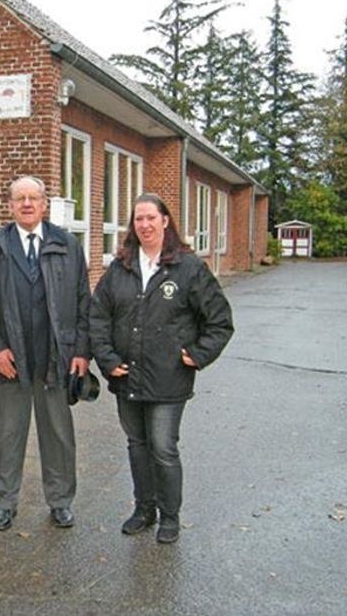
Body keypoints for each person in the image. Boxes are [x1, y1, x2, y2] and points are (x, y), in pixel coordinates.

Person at [89, 192, 233, 544]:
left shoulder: (188, 268)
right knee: (137, 444)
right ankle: (144, 509)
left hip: (168, 379)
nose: (145, 224)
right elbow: (98, 317)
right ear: (132, 225)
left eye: (151, 217)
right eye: (139, 219)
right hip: (126, 376)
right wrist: (107, 360)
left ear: (165, 221)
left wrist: (197, 354)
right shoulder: (120, 266)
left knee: (163, 446)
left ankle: (170, 515)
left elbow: (220, 322)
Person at [0, 176, 90, 531]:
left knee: (57, 435)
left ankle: (60, 501)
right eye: (19, 198)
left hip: (56, 357)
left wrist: (81, 351)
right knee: (7, 434)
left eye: (33, 198)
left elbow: (85, 302)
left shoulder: (67, 246)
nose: (26, 204)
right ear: (10, 205)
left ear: (44, 204)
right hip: (10, 360)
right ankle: (4, 502)